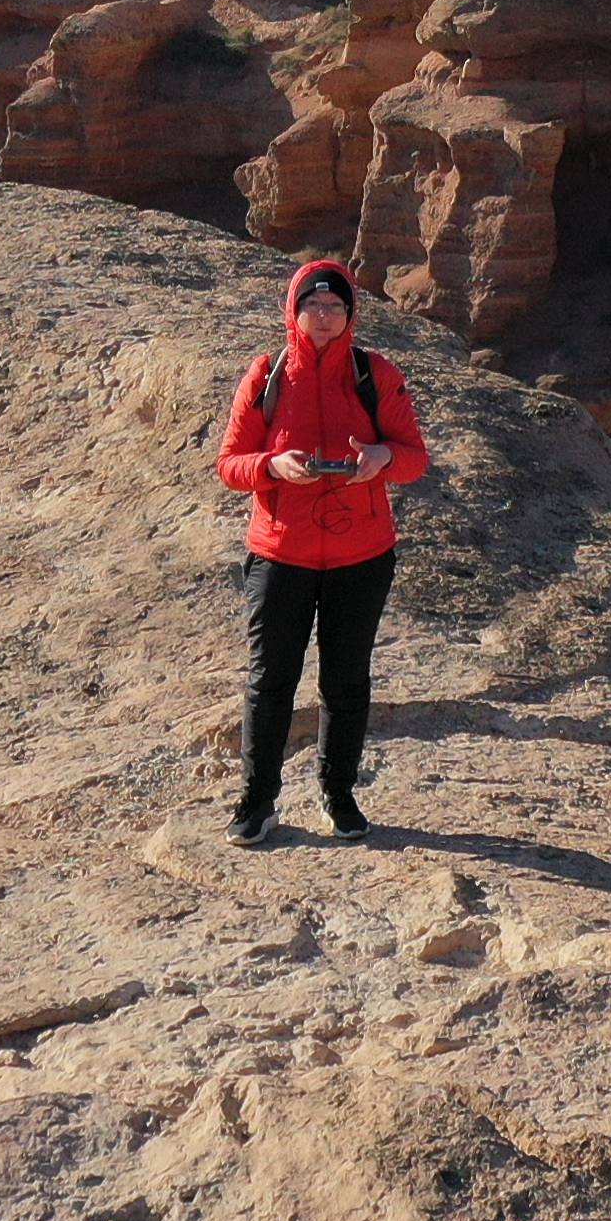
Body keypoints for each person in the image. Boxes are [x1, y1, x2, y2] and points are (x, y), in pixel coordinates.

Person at [215, 256, 429, 845]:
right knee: (270, 680)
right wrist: (273, 467)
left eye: (335, 305)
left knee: (346, 681)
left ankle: (339, 796)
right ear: (295, 309)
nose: (325, 315)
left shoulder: (375, 373)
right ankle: (257, 803)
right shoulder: (266, 374)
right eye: (313, 304)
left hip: (361, 555)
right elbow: (230, 465)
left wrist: (382, 458)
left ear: (350, 313)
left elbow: (414, 456)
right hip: (280, 554)